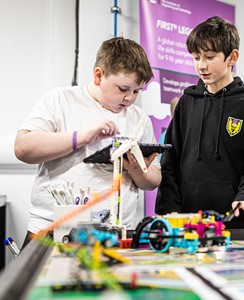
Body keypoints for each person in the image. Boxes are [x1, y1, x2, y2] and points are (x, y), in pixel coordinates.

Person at [14, 37, 162, 247]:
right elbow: (22, 148)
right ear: (99, 75)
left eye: (137, 91)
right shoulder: (60, 100)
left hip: (117, 234)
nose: (130, 98)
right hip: (54, 230)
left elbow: (153, 180)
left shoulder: (138, 118)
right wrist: (80, 138)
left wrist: (136, 168)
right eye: (123, 89)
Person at [155, 16, 244, 228]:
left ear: (232, 57)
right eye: (196, 58)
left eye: (209, 57)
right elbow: (169, 161)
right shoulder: (186, 103)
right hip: (184, 221)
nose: (201, 66)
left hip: (234, 220)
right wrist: (168, 211)